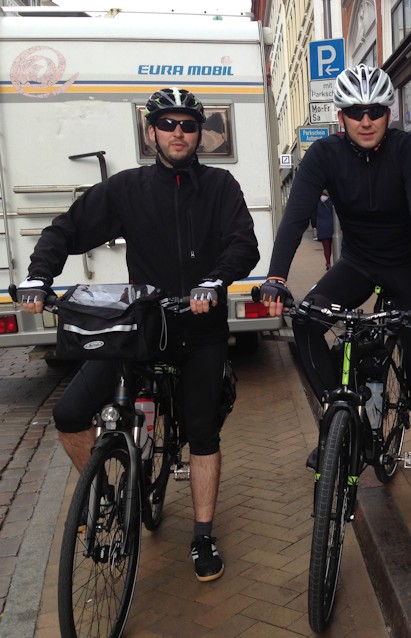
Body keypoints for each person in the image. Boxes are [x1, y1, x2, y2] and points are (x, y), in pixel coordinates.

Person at [16, 87, 260, 582]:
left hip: (199, 331)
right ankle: (106, 496)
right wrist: (40, 276)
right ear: (150, 132)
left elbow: (243, 242)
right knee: (68, 414)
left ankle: (203, 535)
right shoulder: (127, 188)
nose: (178, 133)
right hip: (139, 329)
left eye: (188, 125)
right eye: (167, 124)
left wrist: (215, 281)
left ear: (199, 135)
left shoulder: (220, 187)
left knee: (201, 433)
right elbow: (65, 230)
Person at [258, 64, 411, 522]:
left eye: (374, 111)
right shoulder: (324, 155)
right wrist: (276, 276)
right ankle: (338, 418)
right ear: (341, 116)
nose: (365, 121)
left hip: (409, 270)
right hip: (360, 263)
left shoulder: (408, 151)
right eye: (354, 112)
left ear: (388, 113)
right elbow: (295, 217)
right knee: (305, 321)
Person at [315, 190, 335, 270]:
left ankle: (328, 262)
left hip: (322, 227)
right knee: (335, 245)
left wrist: (315, 225)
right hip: (332, 226)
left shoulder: (317, 203)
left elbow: (313, 215)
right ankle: (337, 261)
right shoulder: (331, 202)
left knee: (326, 247)